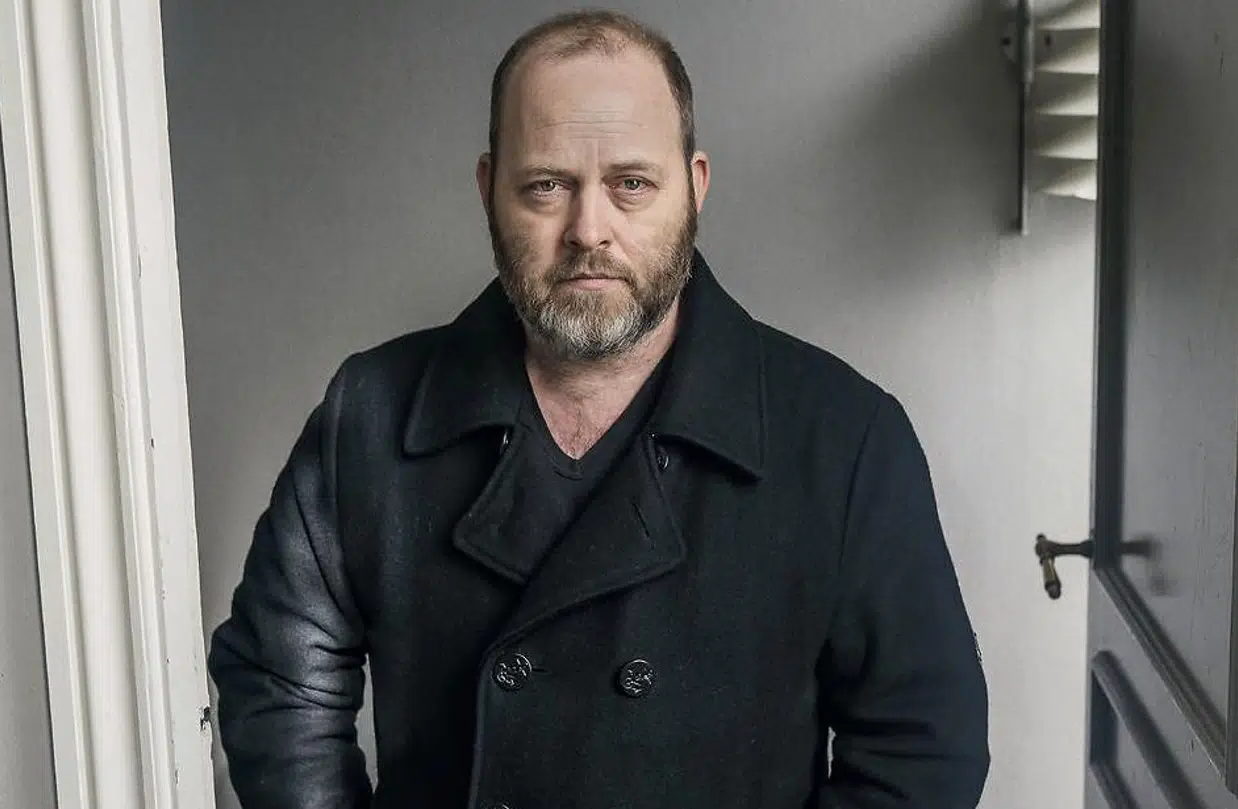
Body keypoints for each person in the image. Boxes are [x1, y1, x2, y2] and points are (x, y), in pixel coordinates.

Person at [208, 8, 989, 809]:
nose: (589, 229)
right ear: (488, 191)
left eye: (631, 184)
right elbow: (279, 681)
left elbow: (922, 750)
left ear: (695, 187)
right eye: (546, 185)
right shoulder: (371, 415)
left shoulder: (845, 437)